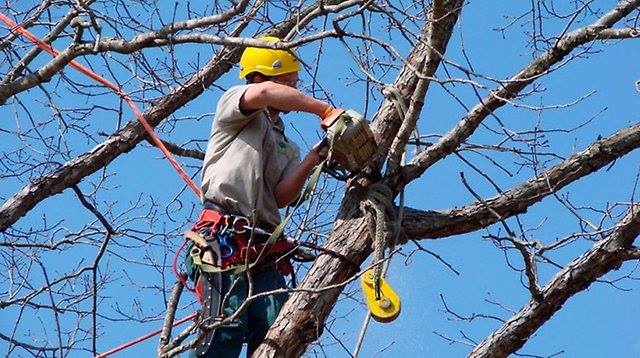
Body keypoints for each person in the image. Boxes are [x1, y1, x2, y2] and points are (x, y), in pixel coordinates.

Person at [187, 36, 343, 358]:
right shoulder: (235, 107)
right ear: (259, 77)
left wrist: (316, 156)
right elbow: (263, 94)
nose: (294, 93)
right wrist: (324, 109)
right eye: (288, 85)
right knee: (225, 328)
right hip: (225, 237)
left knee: (276, 332)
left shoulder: (286, 143)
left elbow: (282, 195)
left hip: (265, 248)